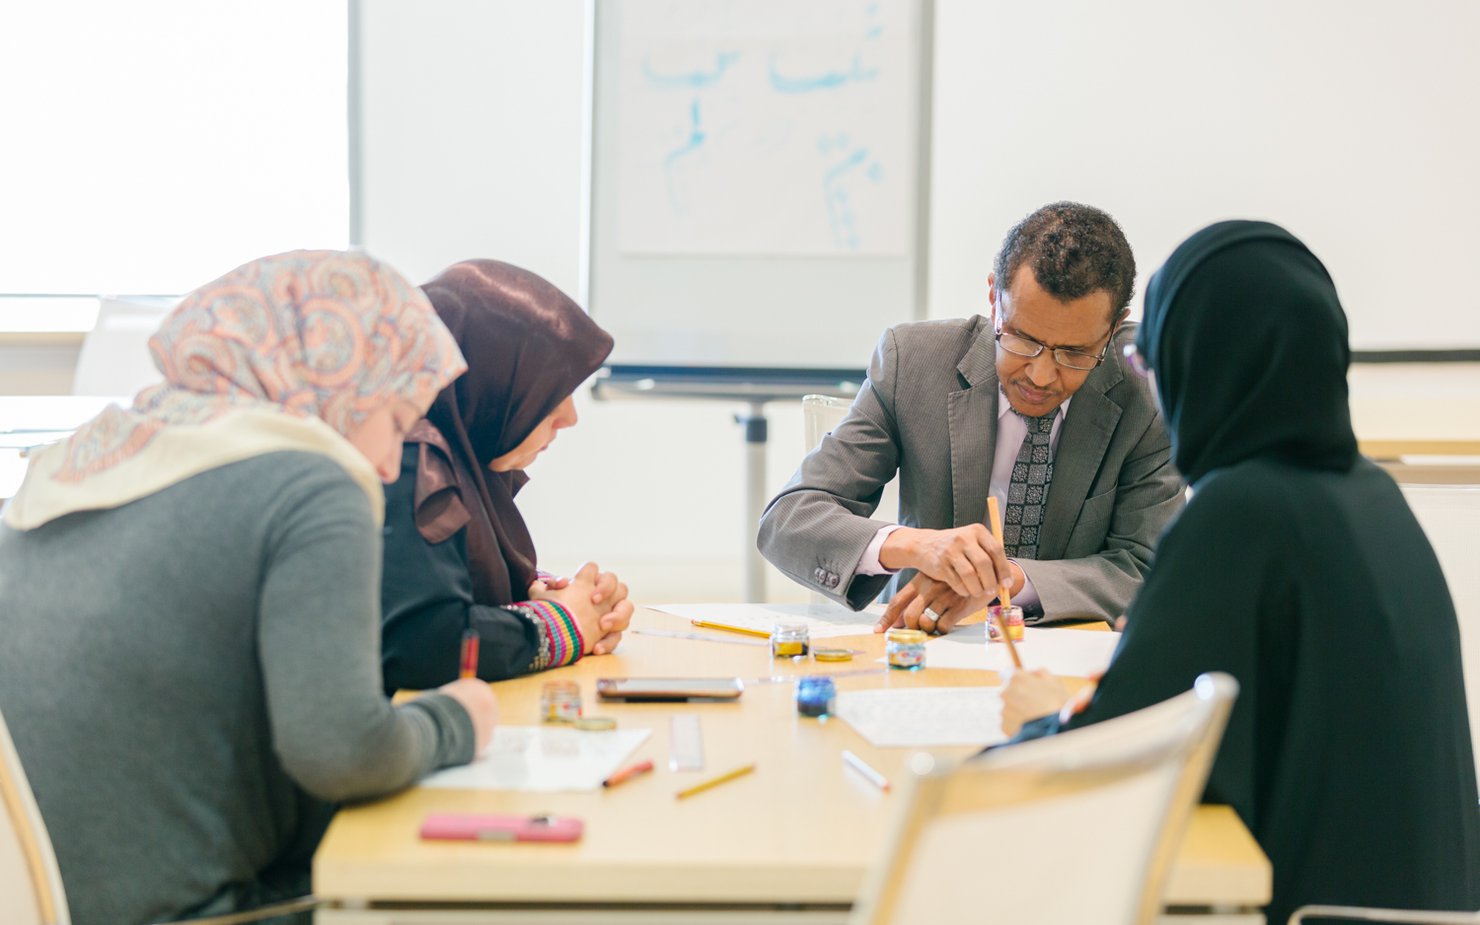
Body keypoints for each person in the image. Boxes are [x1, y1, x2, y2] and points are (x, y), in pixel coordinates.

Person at [1000, 221, 1480, 922]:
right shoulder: (1373, 494)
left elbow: (1117, 759)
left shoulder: (1242, 510)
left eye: (1151, 364)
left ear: (1203, 362)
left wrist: (1044, 719)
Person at [0, 251, 498, 925]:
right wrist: (461, 718)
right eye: (396, 417)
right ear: (341, 380)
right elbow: (343, 751)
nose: (387, 464)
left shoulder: (81, 458)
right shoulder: (312, 483)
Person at [757, 201, 1183, 632]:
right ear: (994, 299)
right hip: (922, 644)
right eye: (1022, 339)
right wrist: (916, 545)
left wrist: (1011, 579)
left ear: (1114, 330)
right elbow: (790, 518)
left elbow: (1148, 566)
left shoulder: (1149, 391)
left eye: (1074, 353)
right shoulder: (914, 362)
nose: (1040, 375)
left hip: (1065, 662)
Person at [379, 259, 633, 693]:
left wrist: (551, 600)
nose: (568, 417)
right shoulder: (408, 461)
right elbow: (426, 642)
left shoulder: (458, 461)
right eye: (551, 391)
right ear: (487, 384)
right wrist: (563, 624)